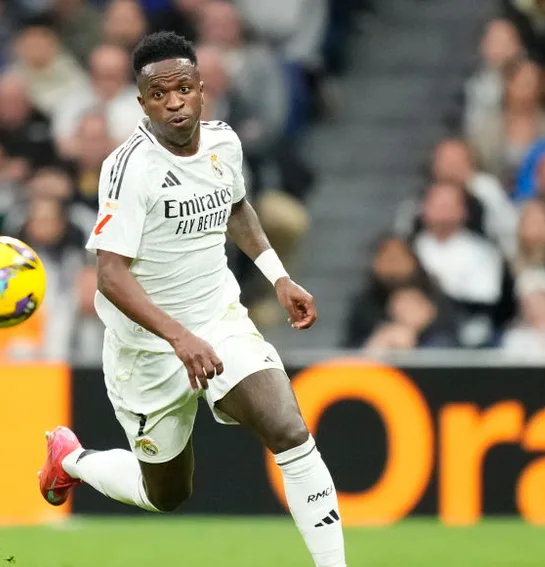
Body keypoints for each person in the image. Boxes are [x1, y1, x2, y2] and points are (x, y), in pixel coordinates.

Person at [37, 32, 346, 567]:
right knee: (167, 494)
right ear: (142, 103)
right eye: (159, 94)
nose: (174, 101)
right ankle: (75, 458)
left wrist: (277, 276)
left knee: (289, 429)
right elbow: (110, 275)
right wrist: (178, 338)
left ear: (202, 90)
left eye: (183, 88)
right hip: (148, 349)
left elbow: (236, 207)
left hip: (218, 319)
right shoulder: (130, 167)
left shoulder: (225, 142)